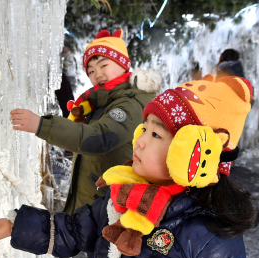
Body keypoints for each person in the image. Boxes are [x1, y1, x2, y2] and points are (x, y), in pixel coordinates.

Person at [0, 74, 259, 258]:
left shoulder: (209, 238)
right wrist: (15, 226)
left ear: (193, 155)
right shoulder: (123, 200)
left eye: (155, 134)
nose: (139, 142)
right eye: (144, 129)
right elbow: (74, 230)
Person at [10, 29, 159, 214]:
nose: (97, 74)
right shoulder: (100, 104)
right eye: (91, 70)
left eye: (104, 65)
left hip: (108, 212)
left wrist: (42, 125)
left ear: (123, 65)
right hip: (91, 206)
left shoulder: (131, 104)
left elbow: (99, 139)